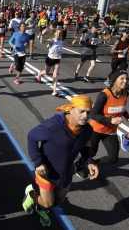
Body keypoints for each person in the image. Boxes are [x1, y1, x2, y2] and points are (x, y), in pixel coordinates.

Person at [23, 96, 98, 227]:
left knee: (59, 199)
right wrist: (38, 161)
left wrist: (90, 161)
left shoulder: (87, 130)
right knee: (48, 203)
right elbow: (32, 137)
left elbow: (85, 145)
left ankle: (40, 206)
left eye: (88, 112)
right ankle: (32, 195)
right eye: (81, 111)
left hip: (66, 172)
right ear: (71, 109)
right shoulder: (53, 125)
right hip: (47, 171)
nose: (85, 116)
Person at [75, 71, 129, 178]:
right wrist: (111, 120)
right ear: (114, 80)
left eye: (126, 79)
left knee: (113, 158)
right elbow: (93, 115)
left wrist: (126, 114)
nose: (125, 81)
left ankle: (93, 164)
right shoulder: (104, 95)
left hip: (111, 131)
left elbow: (120, 107)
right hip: (96, 129)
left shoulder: (125, 93)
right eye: (122, 79)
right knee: (91, 152)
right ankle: (79, 164)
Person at [37, 29, 63, 96]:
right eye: (57, 32)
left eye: (60, 33)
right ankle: (40, 73)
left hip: (57, 60)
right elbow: (42, 42)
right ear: (54, 33)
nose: (58, 34)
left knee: (55, 75)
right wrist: (42, 35)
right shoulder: (51, 40)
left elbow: (70, 44)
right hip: (50, 59)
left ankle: (54, 90)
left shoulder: (61, 41)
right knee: (47, 72)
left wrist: (75, 40)